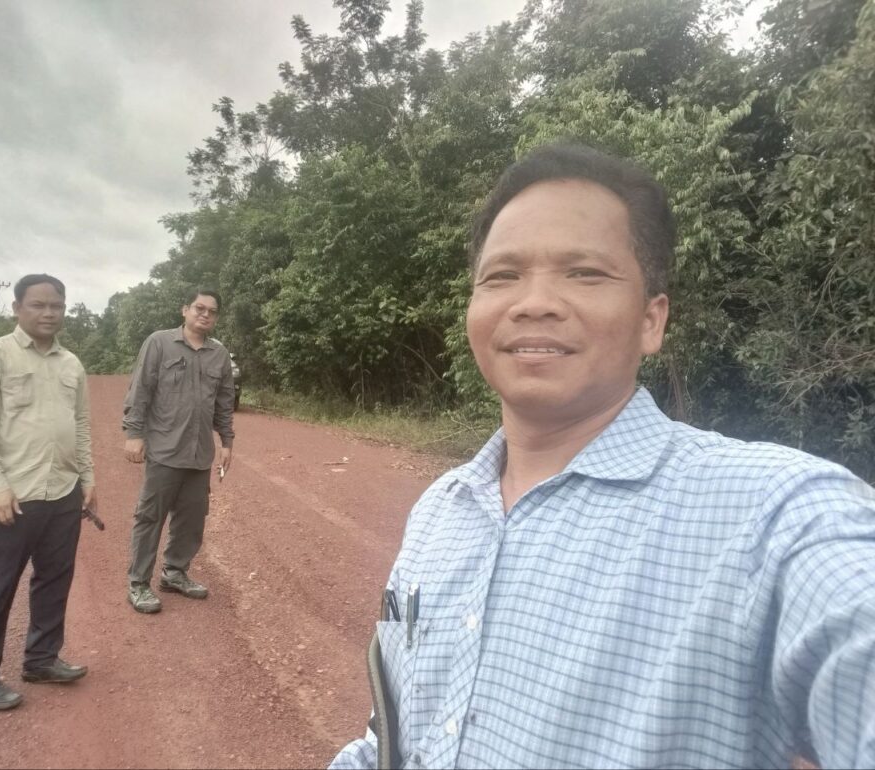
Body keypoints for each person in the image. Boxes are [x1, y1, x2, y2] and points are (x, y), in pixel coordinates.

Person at [330, 144, 875, 769]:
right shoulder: (437, 511)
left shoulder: (776, 514)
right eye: (501, 276)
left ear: (651, 321)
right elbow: (389, 734)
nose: (533, 302)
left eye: (584, 273)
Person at [0, 273, 95, 711]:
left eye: (56, 305)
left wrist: (87, 478)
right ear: (17, 308)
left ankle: (41, 659)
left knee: (55, 579)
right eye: (38, 305)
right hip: (14, 496)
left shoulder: (71, 364)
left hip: (64, 492)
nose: (49, 313)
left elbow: (79, 426)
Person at [122, 289, 235, 613]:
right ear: (185, 309)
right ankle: (138, 583)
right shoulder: (159, 343)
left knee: (192, 519)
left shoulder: (219, 354)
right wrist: (134, 433)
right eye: (200, 308)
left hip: (199, 454)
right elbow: (141, 389)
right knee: (150, 517)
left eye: (212, 311)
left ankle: (174, 572)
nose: (205, 314)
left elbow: (224, 402)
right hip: (164, 449)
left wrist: (227, 442)